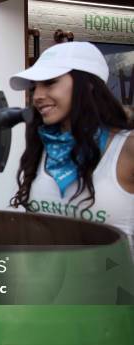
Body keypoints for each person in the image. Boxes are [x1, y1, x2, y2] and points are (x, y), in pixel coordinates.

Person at [9, 41, 134, 256]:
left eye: (49, 82)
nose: (37, 95)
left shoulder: (127, 147)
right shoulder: (41, 145)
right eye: (34, 86)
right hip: (52, 287)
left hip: (115, 287)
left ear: (87, 85)